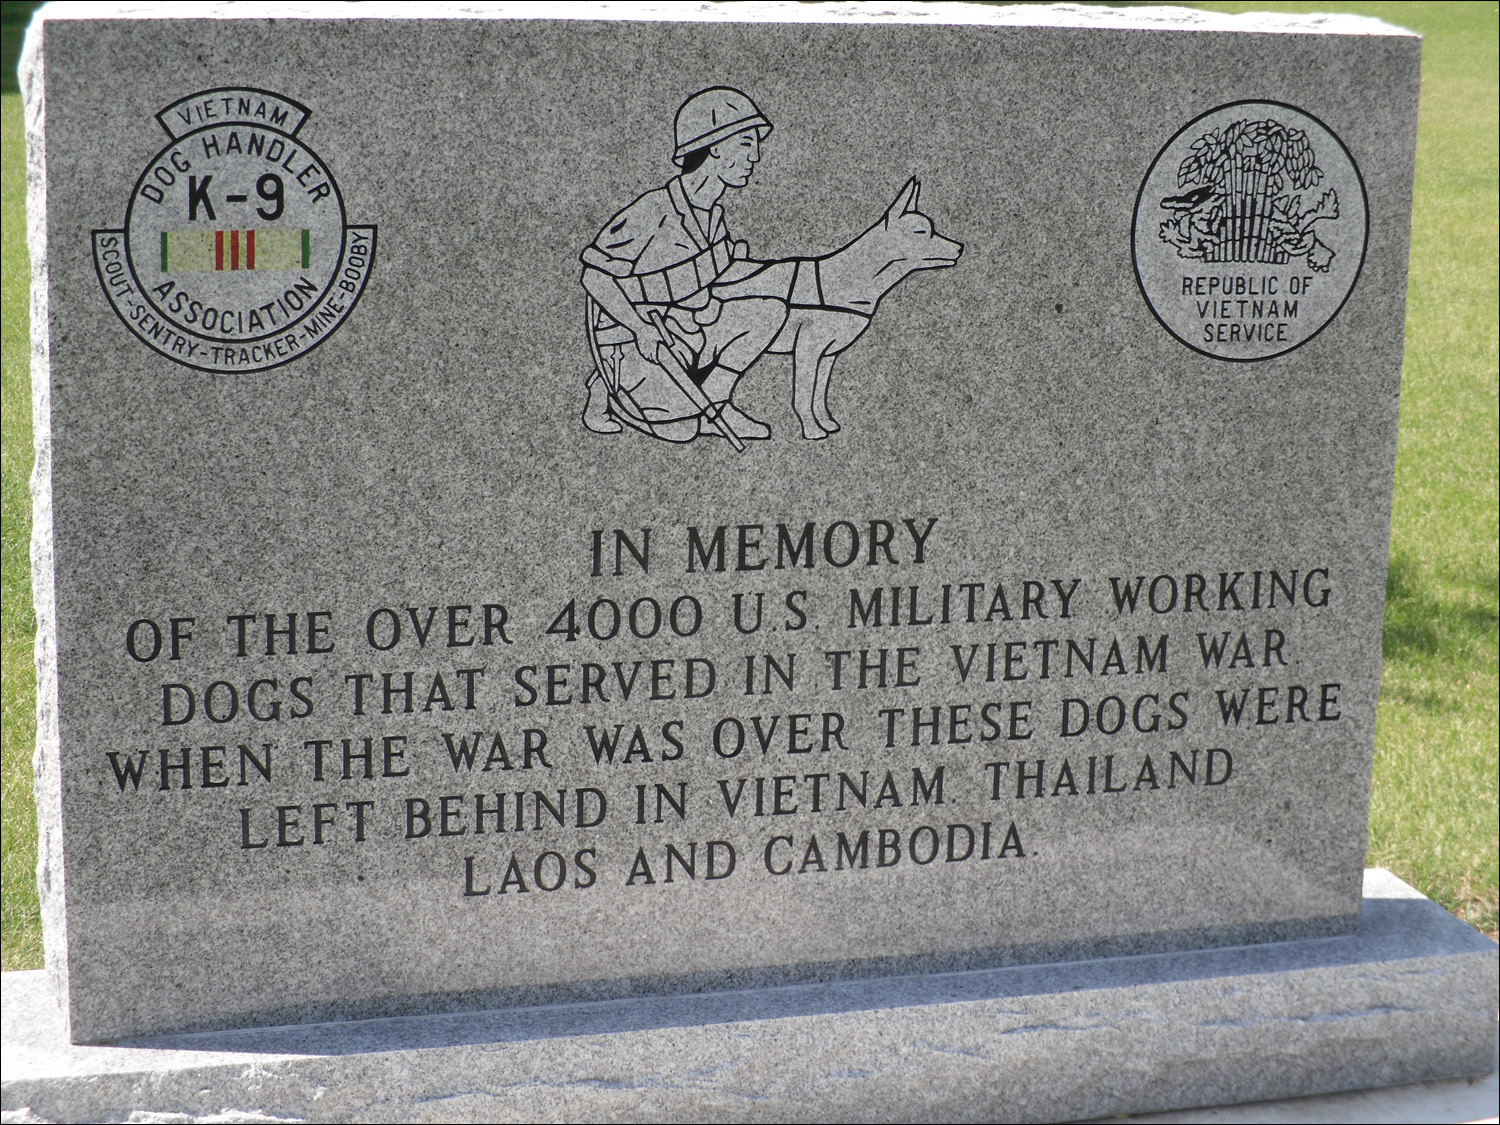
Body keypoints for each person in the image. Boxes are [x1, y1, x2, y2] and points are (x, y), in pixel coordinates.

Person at [580, 88, 789, 442]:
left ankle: (718, 403)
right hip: (642, 338)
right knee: (680, 431)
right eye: (746, 143)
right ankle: (605, 389)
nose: (756, 157)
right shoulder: (654, 209)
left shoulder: (715, 218)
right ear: (716, 145)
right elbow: (595, 277)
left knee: (769, 312)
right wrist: (639, 328)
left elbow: (718, 281)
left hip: (693, 329)